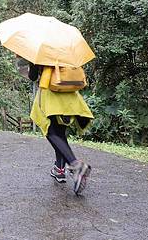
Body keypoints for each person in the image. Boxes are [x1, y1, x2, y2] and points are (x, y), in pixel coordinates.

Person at [27, 61, 93, 195]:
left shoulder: (43, 52)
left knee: (51, 132)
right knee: (60, 134)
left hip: (52, 94)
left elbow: (33, 77)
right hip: (70, 96)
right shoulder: (67, 51)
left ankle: (75, 165)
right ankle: (59, 169)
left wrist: (33, 65)